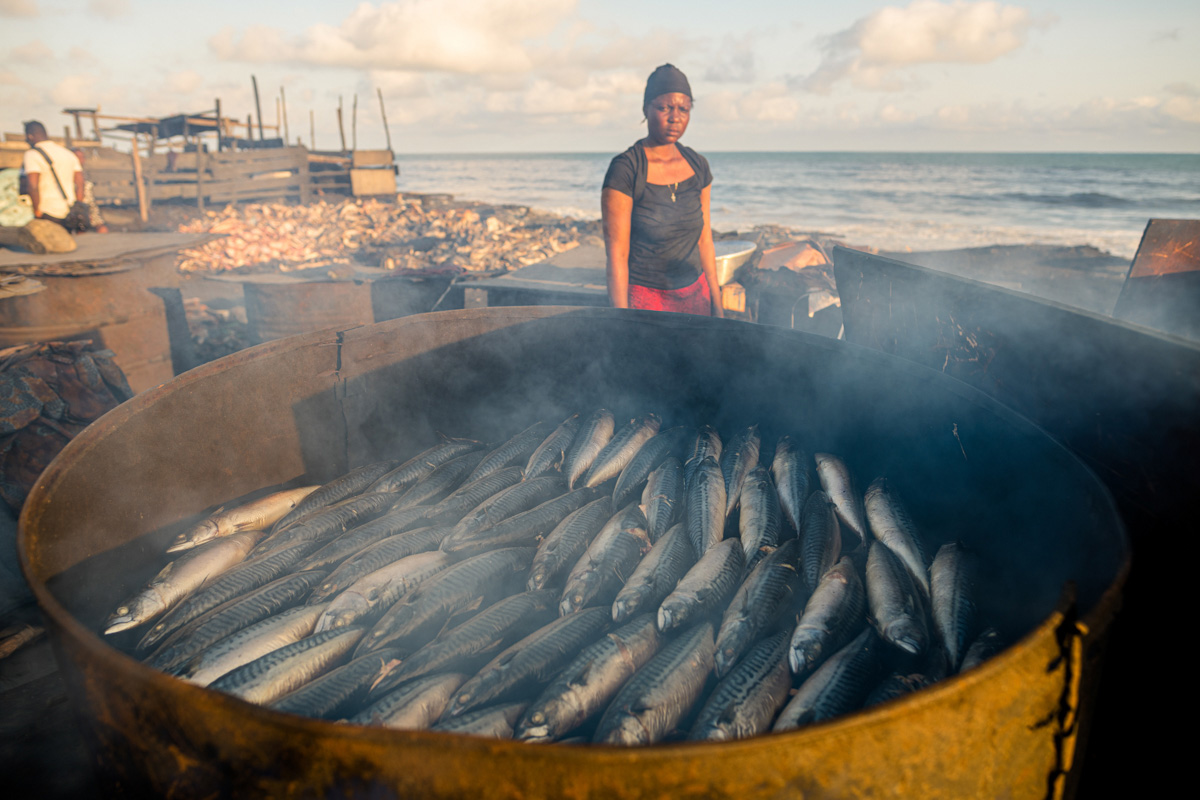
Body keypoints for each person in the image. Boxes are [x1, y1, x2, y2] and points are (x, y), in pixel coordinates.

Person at [602, 64, 723, 317]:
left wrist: (717, 305)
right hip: (646, 302)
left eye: (683, 109)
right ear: (646, 108)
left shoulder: (698, 165)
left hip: (695, 296)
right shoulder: (626, 169)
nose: (675, 117)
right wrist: (621, 320)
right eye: (664, 107)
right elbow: (617, 254)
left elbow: (705, 241)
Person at [20, 120, 83, 228]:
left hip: (47, 211)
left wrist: (36, 211)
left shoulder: (31, 155)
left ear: (30, 136)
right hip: (70, 210)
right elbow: (80, 183)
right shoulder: (68, 154)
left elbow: (33, 186)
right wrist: (79, 206)